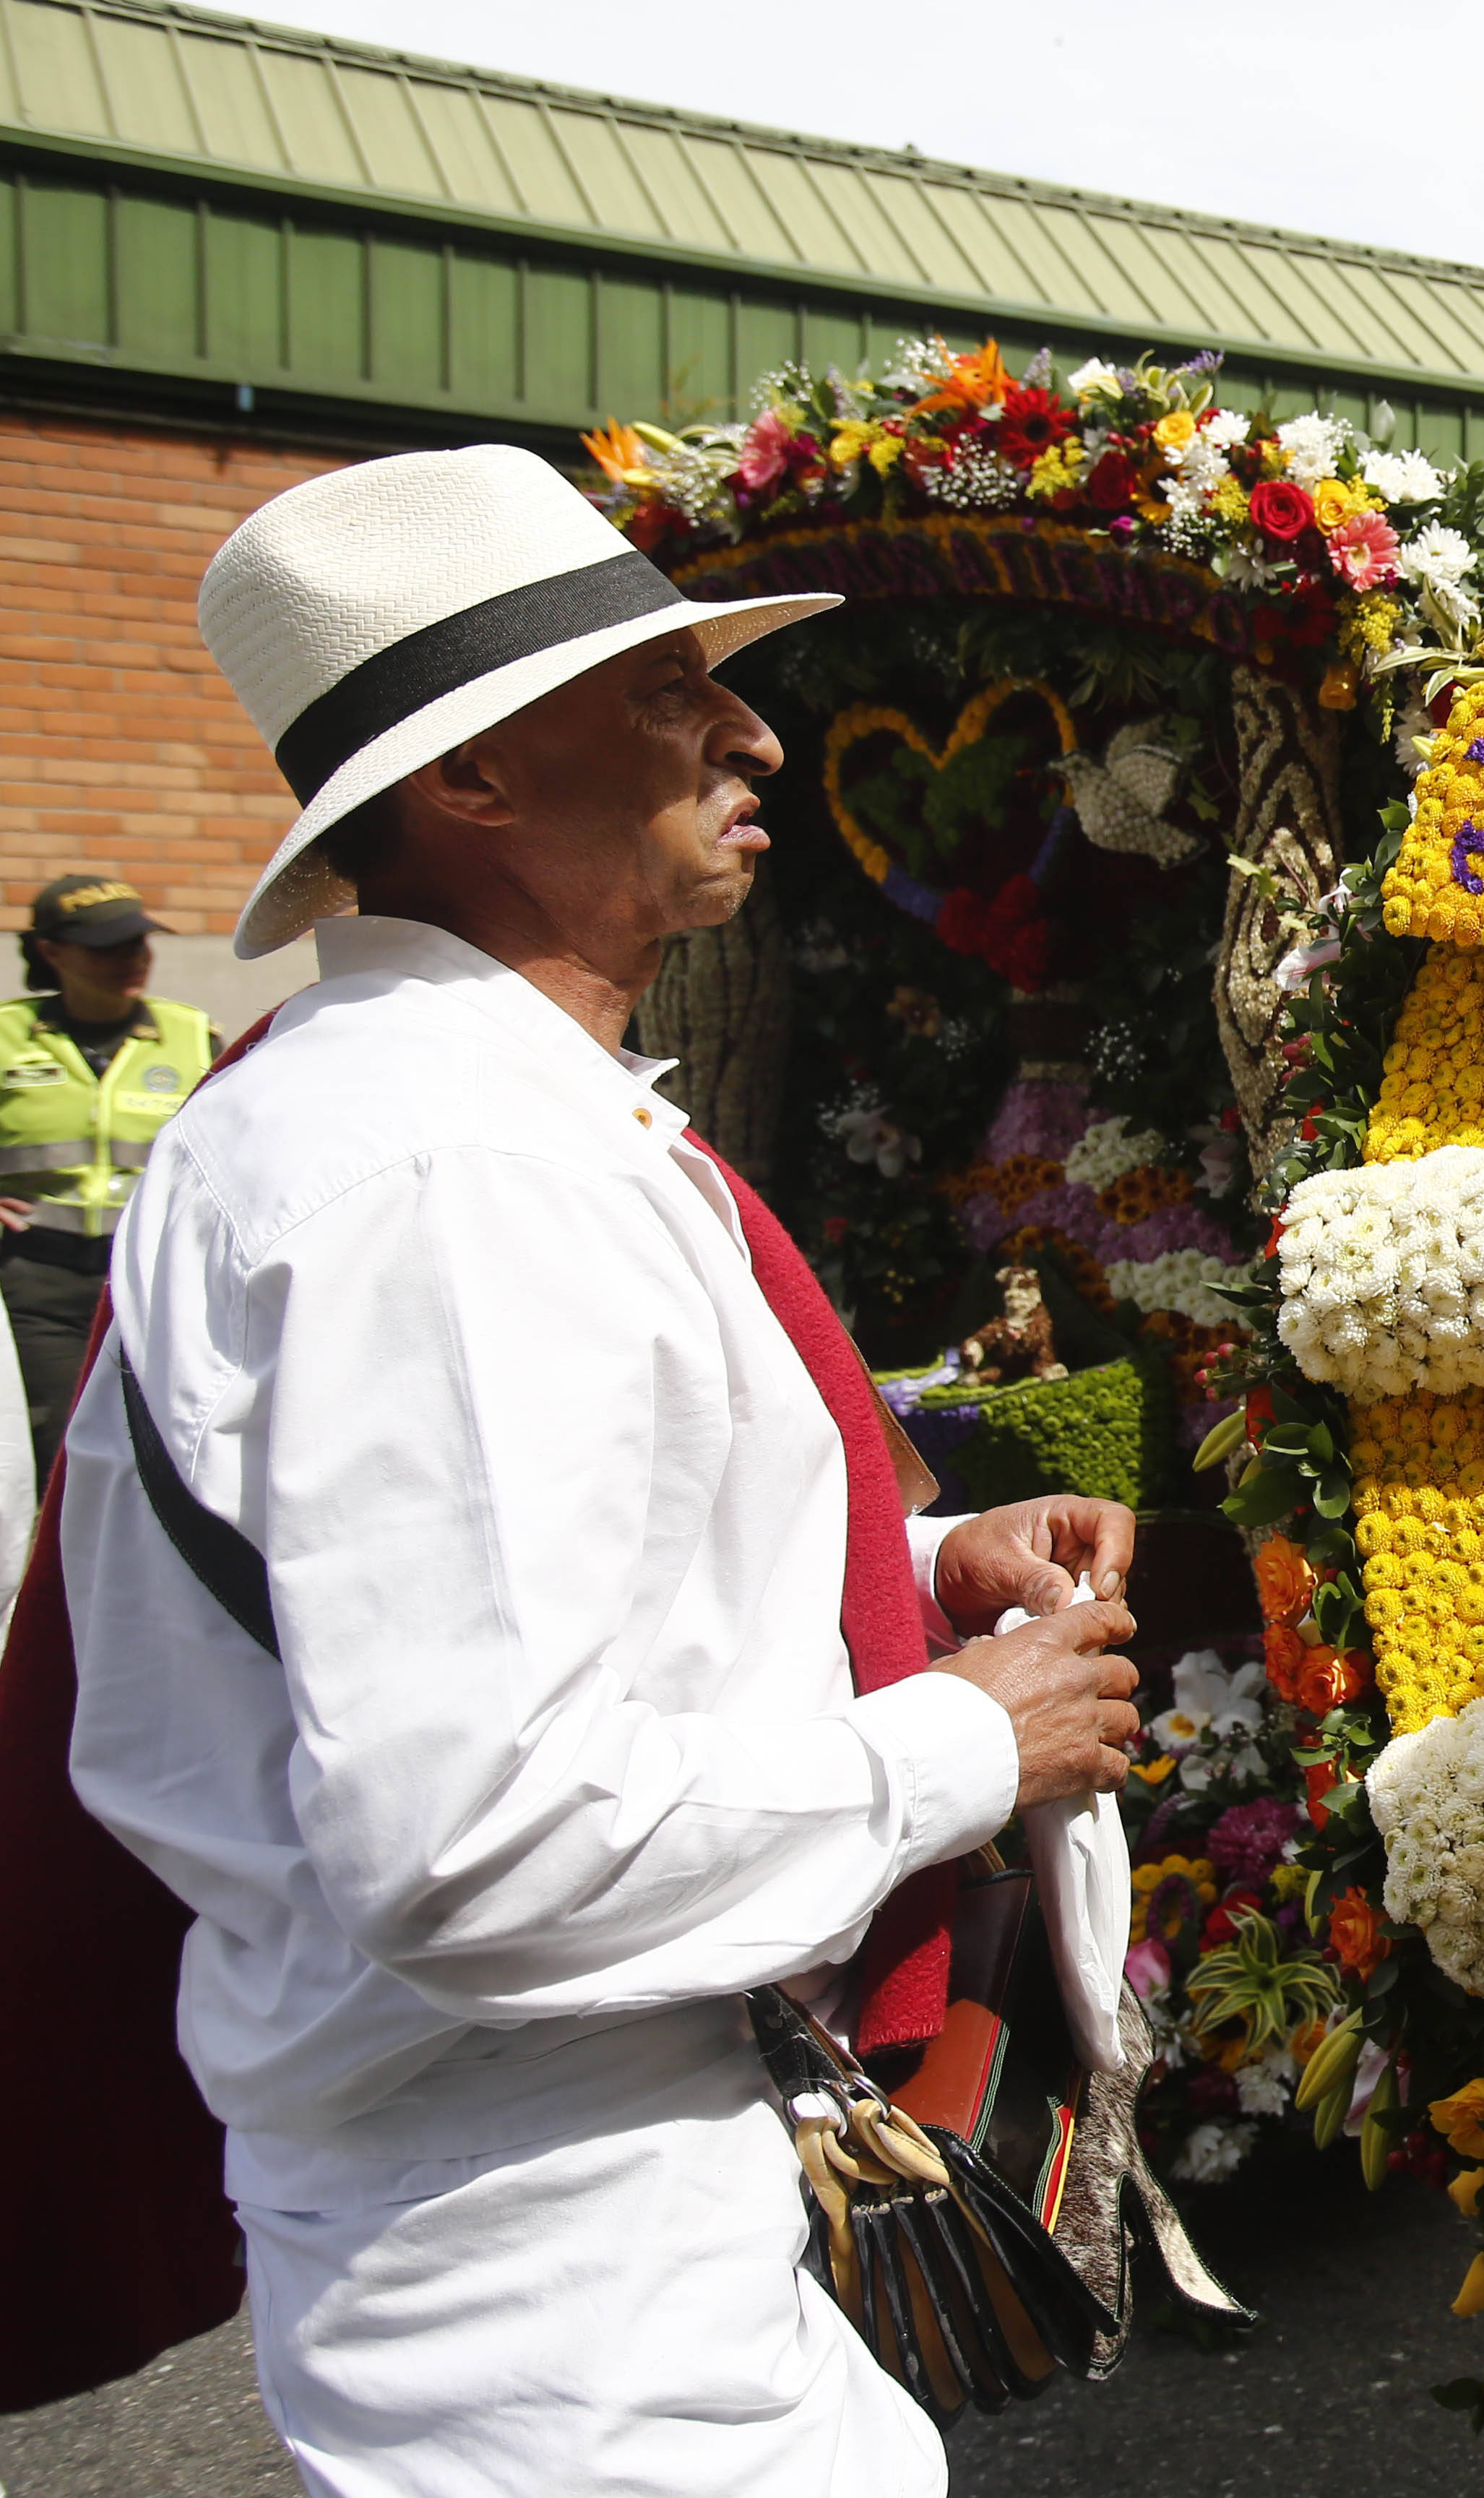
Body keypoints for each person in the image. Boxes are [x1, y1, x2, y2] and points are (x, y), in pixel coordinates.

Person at [12, 443, 1149, 2493]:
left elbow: (544, 1583)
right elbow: (473, 1841)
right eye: (659, 692)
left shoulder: (417, 1119)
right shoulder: (451, 1172)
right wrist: (960, 1742)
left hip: (570, 2208)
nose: (751, 727)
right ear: (465, 785)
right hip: (550, 2256)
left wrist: (900, 1559)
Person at [0, 874, 213, 1468]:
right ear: (51, 952)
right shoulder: (7, 1037)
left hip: (149, 1276)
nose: (131, 960)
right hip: (39, 1279)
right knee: (58, 1447)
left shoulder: (193, 1036)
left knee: (157, 1446)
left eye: (138, 943)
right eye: (107, 947)